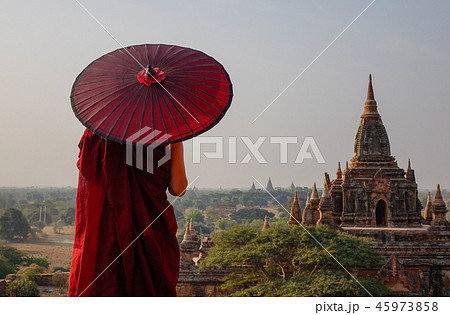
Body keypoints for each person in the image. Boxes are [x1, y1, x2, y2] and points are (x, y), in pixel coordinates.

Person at [68, 128, 187, 297]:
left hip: (108, 231)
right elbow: (178, 189)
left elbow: (87, 171)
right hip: (152, 231)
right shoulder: (168, 132)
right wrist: (177, 143)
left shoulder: (98, 130)